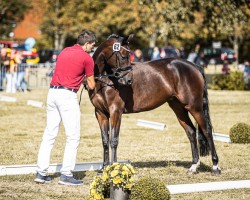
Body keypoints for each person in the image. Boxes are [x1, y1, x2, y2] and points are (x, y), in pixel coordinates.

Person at [35, 30, 97, 185]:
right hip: (67, 97)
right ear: (87, 43)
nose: (92, 49)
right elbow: (91, 84)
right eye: (92, 46)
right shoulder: (86, 58)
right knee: (73, 136)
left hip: (52, 93)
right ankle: (66, 174)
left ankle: (41, 173)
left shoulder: (65, 51)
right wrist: (84, 80)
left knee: (49, 134)